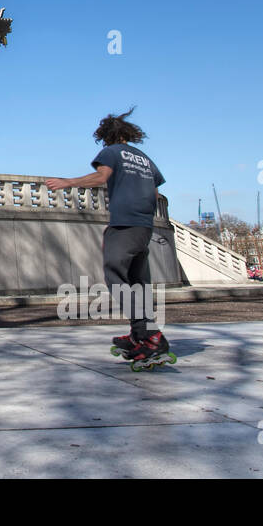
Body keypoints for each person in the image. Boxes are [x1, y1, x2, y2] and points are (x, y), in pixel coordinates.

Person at [47, 107, 170, 367]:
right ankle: (140, 336)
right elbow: (156, 193)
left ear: (106, 136)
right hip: (144, 226)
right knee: (138, 281)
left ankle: (150, 334)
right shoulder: (146, 159)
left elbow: (103, 177)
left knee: (115, 276)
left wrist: (67, 182)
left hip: (123, 223)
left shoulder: (111, 152)